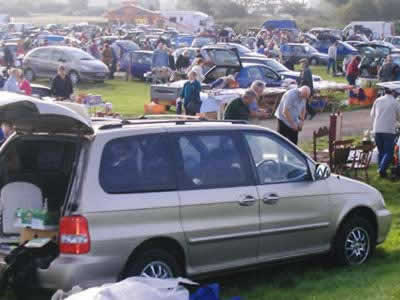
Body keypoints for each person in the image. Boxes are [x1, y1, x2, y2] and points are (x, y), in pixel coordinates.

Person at [370, 88, 400, 178]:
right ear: (393, 92)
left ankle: (381, 171)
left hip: (377, 129)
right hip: (388, 130)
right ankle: (382, 170)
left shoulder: (378, 100)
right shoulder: (395, 102)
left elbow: (372, 114)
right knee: (389, 152)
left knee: (381, 151)